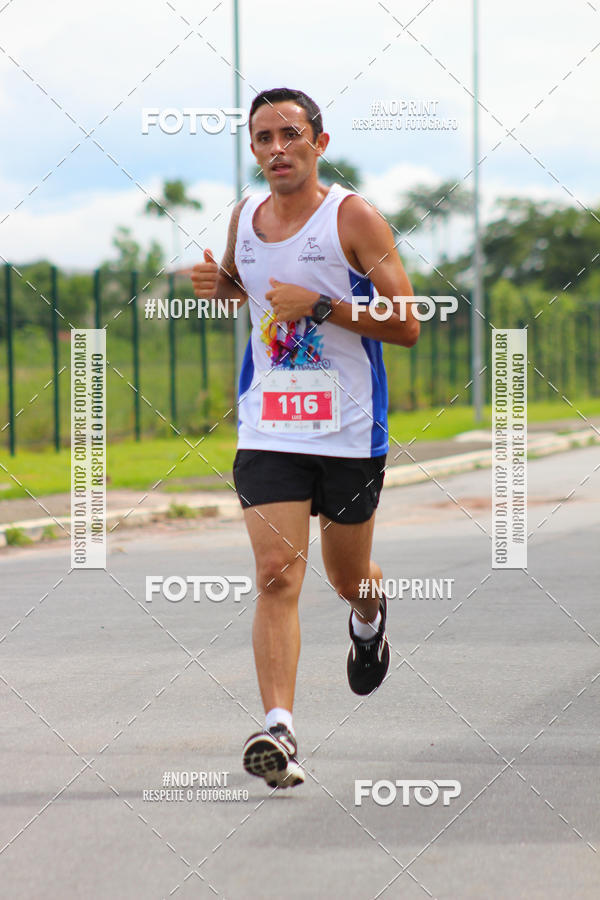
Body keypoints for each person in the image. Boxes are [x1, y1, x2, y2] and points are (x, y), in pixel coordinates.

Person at [190, 87, 419, 790]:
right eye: (263, 138)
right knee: (276, 573)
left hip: (349, 433)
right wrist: (218, 284)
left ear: (319, 143)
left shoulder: (353, 218)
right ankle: (280, 730)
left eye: (290, 134)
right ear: (254, 150)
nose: (276, 148)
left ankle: (370, 616)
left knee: (346, 577)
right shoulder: (243, 220)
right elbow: (249, 289)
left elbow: (406, 322)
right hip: (269, 427)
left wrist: (322, 304)